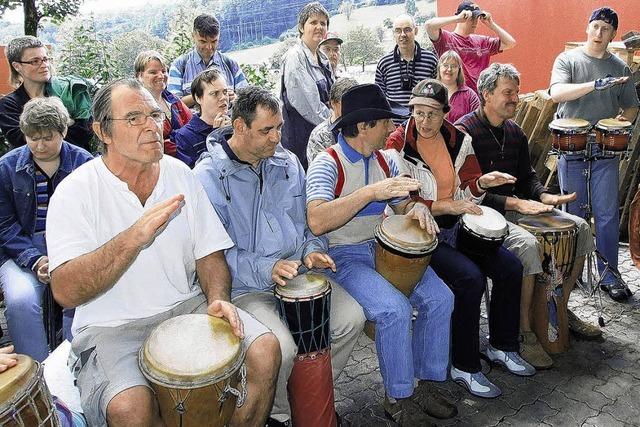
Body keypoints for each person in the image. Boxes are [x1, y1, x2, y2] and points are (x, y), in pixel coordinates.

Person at [45, 78, 280, 426]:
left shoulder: (179, 174)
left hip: (186, 307)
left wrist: (218, 298)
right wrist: (132, 239)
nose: (151, 125)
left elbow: (210, 254)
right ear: (103, 132)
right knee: (129, 408)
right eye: (134, 118)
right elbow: (64, 292)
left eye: (154, 115)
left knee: (265, 350)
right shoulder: (75, 192)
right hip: (111, 327)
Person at [194, 85, 365, 426]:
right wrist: (268, 267)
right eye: (266, 130)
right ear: (239, 127)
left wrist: (313, 251)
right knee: (282, 349)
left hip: (297, 273)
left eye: (279, 128)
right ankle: (281, 413)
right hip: (245, 287)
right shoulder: (208, 177)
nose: (276, 138)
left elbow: (306, 224)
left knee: (351, 319)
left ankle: (311, 400)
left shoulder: (286, 162)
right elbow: (214, 254)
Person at [306, 83, 456, 425]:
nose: (392, 128)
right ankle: (399, 395)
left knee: (441, 298)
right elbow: (316, 221)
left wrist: (414, 210)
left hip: (383, 248)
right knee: (394, 310)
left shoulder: (385, 160)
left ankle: (429, 382)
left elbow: (400, 204)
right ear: (363, 127)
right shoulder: (326, 164)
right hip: (344, 256)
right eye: (385, 122)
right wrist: (370, 192)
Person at [386, 78, 533, 397]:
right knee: (470, 277)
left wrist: (482, 184)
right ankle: (464, 365)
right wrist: (442, 204)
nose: (424, 121)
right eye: (418, 112)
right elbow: (399, 200)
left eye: (432, 113)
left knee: (510, 267)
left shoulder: (458, 140)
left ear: (445, 113)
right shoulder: (397, 143)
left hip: (456, 223)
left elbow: (468, 189)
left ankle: (502, 345)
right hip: (420, 231)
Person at [456, 63, 597, 368]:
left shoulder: (515, 131)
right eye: (508, 92)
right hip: (482, 218)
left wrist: (546, 196)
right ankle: (525, 332)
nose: (516, 99)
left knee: (581, 228)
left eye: (516, 92)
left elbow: (528, 178)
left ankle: (560, 307)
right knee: (529, 246)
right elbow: (467, 191)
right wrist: (516, 204)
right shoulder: (464, 133)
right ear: (486, 94)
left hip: (517, 209)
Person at [549, 7, 639, 301]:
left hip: (604, 148)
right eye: (596, 26)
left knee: (607, 213)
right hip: (571, 145)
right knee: (572, 212)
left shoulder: (620, 68)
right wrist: (595, 85)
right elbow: (557, 93)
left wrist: (618, 123)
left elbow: (631, 106)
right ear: (587, 28)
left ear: (614, 35)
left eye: (606, 29)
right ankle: (569, 271)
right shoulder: (568, 59)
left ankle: (609, 273)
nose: (600, 33)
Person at [0, 97, 93, 362]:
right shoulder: (6, 168)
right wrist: (34, 259)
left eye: (47, 138)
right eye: (32, 137)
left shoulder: (84, 164)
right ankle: (36, 371)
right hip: (21, 249)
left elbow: (92, 219)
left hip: (73, 248)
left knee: (79, 298)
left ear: (63, 131)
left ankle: (73, 364)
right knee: (20, 300)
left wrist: (67, 257)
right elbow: (4, 226)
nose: (39, 146)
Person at [0, 36, 94, 151]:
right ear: (17, 66)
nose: (44, 65)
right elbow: (20, 140)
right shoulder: (9, 104)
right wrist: (66, 125)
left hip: (76, 163)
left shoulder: (68, 90)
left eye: (45, 59)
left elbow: (85, 131)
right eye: (35, 61)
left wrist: (37, 133)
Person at [280, 2, 335, 170]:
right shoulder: (295, 57)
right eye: (313, 22)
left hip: (322, 136)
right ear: (301, 27)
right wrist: (335, 124)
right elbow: (310, 107)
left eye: (323, 23)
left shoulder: (323, 59)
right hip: (301, 140)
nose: (319, 27)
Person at [425, 1, 516, 93]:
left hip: (481, 98)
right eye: (471, 18)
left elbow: (510, 43)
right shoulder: (446, 39)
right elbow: (429, 26)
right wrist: (457, 18)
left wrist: (491, 24)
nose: (475, 21)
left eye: (476, 18)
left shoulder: (483, 42)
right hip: (456, 98)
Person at [168, 14, 248, 108]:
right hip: (193, 122)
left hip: (229, 121)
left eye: (214, 41)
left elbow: (247, 100)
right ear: (193, 36)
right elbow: (173, 105)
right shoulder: (179, 66)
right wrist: (204, 93)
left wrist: (234, 97)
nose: (209, 47)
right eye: (203, 41)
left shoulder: (230, 64)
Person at [135, 50, 192, 157]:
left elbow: (193, 126)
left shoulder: (173, 100)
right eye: (153, 72)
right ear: (139, 76)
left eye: (163, 71)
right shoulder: (136, 107)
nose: (161, 76)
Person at [375, 14, 438, 110]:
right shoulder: (384, 63)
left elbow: (437, 95)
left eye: (407, 29)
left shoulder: (431, 60)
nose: (403, 34)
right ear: (393, 34)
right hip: (394, 123)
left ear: (416, 31)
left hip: (422, 122)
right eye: (398, 31)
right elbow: (379, 100)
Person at [175, 68, 231, 168]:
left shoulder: (235, 124)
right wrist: (216, 137)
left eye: (225, 92)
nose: (223, 97)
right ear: (198, 98)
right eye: (214, 94)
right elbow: (194, 174)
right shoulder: (185, 136)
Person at [307, 77, 358, 163]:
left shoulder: (363, 126)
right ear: (333, 103)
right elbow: (319, 170)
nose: (352, 108)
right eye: (347, 104)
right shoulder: (319, 136)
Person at [436, 50, 480, 123]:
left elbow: (478, 121)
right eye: (445, 65)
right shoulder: (431, 91)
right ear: (439, 68)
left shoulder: (470, 95)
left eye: (453, 66)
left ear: (459, 70)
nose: (449, 69)